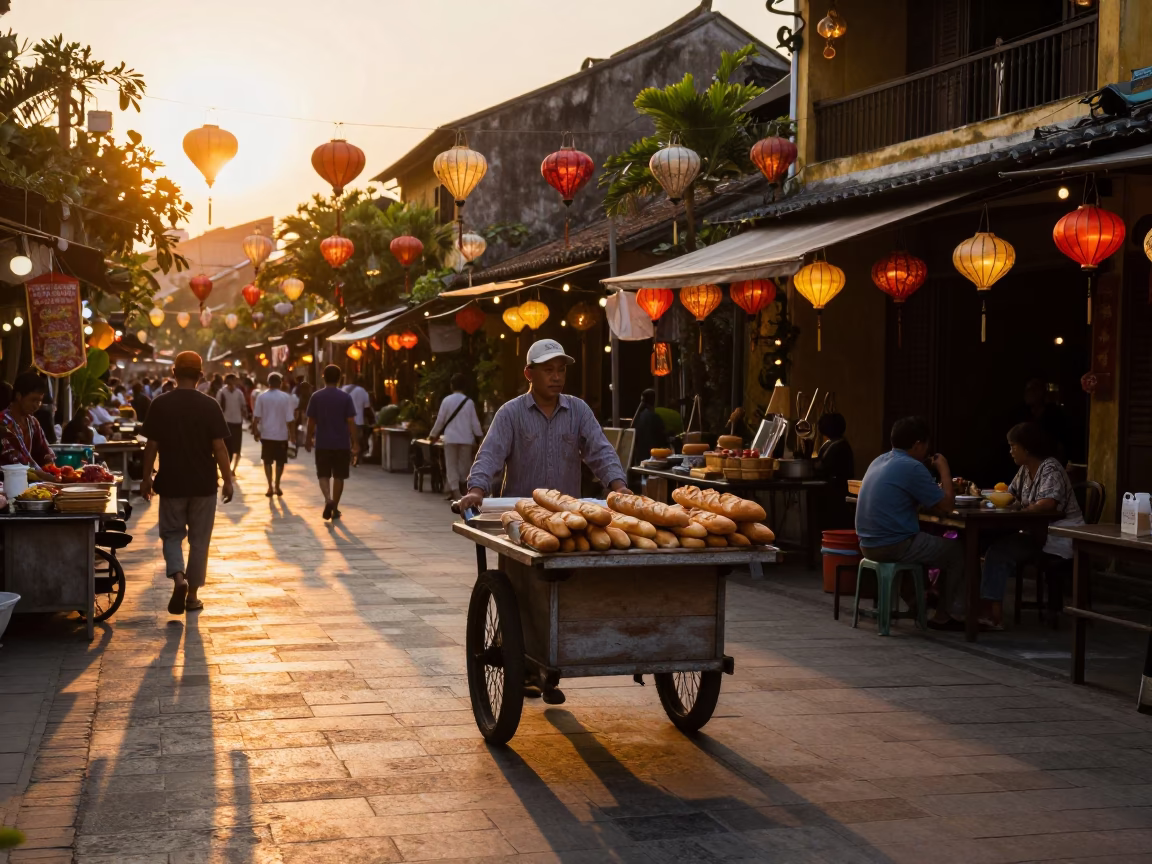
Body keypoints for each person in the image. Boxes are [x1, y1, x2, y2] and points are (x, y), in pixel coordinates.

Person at [460, 339, 630, 511]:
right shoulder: (510, 413)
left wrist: (619, 487)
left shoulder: (579, 411)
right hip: (521, 514)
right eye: (548, 370)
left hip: (568, 515)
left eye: (561, 370)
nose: (556, 377)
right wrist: (476, 491)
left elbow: (601, 452)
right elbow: (490, 455)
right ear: (529, 374)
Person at [140, 351, 234, 615]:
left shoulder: (160, 403)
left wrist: (146, 478)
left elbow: (151, 446)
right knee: (199, 541)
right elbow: (219, 447)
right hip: (204, 484)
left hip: (171, 483)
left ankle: (178, 578)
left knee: (171, 535)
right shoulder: (209, 404)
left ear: (174, 373)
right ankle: (192, 596)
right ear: (200, 375)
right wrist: (227, 480)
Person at [855, 416, 965, 630]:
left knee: (924, 543)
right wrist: (944, 469)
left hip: (867, 543)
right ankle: (944, 615)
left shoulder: (879, 460)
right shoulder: (912, 467)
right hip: (892, 544)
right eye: (925, 445)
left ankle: (918, 603)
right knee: (957, 552)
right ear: (917, 444)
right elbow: (947, 505)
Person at [979, 422, 1085, 628]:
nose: (1010, 451)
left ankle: (993, 614)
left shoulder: (1050, 467)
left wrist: (1022, 511)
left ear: (1027, 448)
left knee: (998, 553)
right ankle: (989, 609)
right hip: (1036, 533)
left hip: (1059, 535)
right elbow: (1010, 494)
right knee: (995, 551)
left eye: (1013, 446)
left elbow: (1048, 503)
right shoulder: (1024, 471)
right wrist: (986, 499)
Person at [305, 364, 359, 520]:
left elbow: (311, 421)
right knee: (339, 475)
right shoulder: (345, 397)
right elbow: (350, 422)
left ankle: (328, 499)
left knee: (323, 474)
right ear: (340, 378)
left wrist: (308, 438)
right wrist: (355, 442)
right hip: (341, 443)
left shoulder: (316, 396)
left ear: (323, 377)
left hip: (322, 442)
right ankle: (334, 507)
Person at [429, 373, 483, 500]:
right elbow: (475, 422)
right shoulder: (469, 402)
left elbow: (440, 420)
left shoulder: (446, 401)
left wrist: (433, 435)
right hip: (466, 439)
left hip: (451, 438)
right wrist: (480, 436)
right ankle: (463, 487)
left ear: (451, 386)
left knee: (451, 465)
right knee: (465, 465)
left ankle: (455, 491)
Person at [0, 371, 58, 478]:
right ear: (19, 396)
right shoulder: (2, 423)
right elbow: (15, 461)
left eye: (39, 401)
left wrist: (52, 467)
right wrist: (45, 476)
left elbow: (44, 451)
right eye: (33, 400)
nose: (37, 405)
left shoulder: (33, 422)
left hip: (31, 481)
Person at [252, 372, 296, 497]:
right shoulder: (286, 397)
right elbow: (290, 419)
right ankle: (277, 485)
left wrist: (255, 431)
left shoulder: (262, 396)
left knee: (267, 461)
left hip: (266, 434)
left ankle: (270, 487)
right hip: (281, 435)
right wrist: (292, 435)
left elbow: (256, 417)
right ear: (280, 383)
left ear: (268, 383)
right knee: (280, 461)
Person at [218, 373, 248, 471]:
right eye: (232, 380)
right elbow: (218, 406)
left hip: (237, 422)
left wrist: (245, 415)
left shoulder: (239, 393)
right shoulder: (221, 392)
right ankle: (226, 468)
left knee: (237, 448)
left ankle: (234, 469)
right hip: (225, 423)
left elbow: (243, 406)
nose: (234, 382)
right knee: (227, 448)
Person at [630, 388, 667, 466]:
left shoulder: (639, 417)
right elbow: (662, 438)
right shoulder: (655, 417)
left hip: (640, 459)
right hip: (652, 459)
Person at [343, 375, 374, 461]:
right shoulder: (363, 391)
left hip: (343, 421)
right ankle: (356, 457)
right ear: (362, 383)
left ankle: (347, 456)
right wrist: (372, 421)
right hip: (357, 421)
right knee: (356, 439)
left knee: (346, 439)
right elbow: (367, 409)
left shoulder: (343, 389)